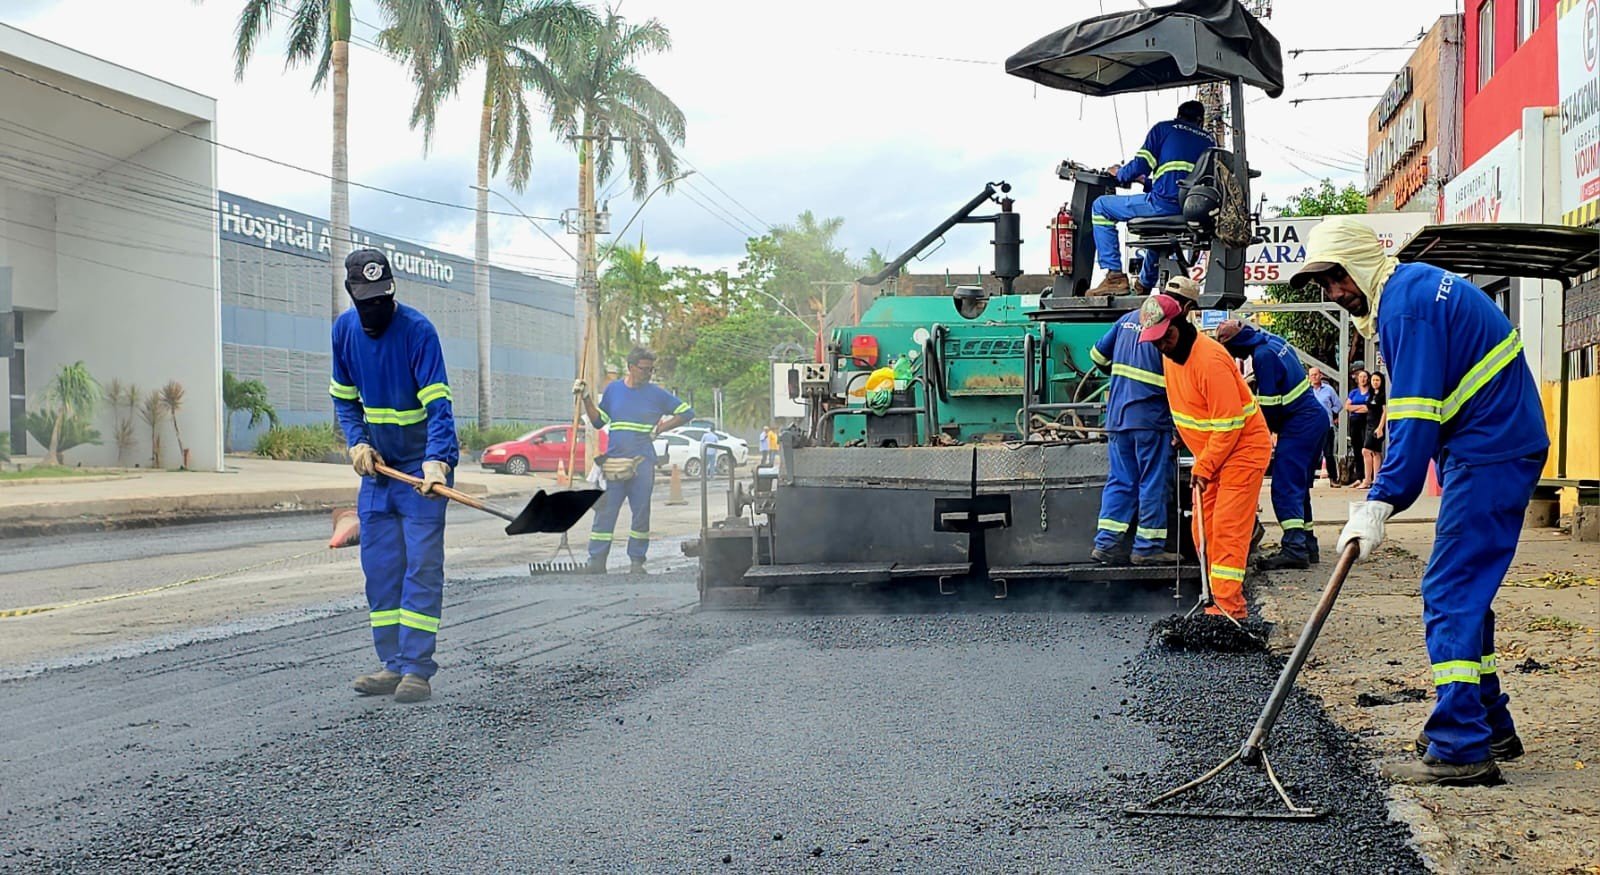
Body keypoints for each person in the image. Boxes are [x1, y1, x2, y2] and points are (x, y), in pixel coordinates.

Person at [1292, 217, 1549, 787]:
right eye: (1324, 285)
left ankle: (1460, 745)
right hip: (1492, 444)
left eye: (1336, 278)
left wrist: (1381, 500)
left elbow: (1413, 414)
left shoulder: (1407, 307)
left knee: (1450, 588)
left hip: (1493, 448)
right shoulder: (1409, 293)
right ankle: (1489, 722)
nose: (1334, 292)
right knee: (1466, 589)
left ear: (1359, 265)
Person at [331, 249, 459, 705]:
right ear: (353, 295)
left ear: (392, 290)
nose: (375, 308)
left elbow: (438, 406)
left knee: (421, 567)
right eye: (366, 301)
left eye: (382, 298)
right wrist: (357, 442)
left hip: (423, 469)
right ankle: (393, 664)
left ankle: (418, 670)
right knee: (381, 570)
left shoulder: (418, 332)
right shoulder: (343, 332)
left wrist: (437, 460)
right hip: (380, 470)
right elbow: (345, 400)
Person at [1138, 294, 1271, 619]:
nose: (1163, 346)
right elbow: (1187, 408)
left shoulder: (1209, 360)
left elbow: (1230, 423)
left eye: (1166, 337)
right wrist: (1180, 436)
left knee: (1227, 529)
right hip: (1212, 453)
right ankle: (1213, 598)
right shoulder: (1170, 356)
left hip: (1242, 450)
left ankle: (1229, 612)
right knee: (1203, 530)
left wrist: (1206, 463)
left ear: (1182, 322)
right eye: (1156, 342)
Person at [1085, 278, 1202, 566]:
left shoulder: (1126, 320)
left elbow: (1097, 356)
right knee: (1153, 482)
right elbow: (1182, 387)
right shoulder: (1175, 335)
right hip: (1151, 421)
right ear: (1185, 306)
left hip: (1117, 418)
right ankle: (1147, 548)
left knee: (1121, 480)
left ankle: (1106, 544)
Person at [1215, 320, 1329, 569]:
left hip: (1299, 426)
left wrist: (1253, 433)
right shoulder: (1272, 341)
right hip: (1314, 421)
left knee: (1285, 487)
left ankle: (1294, 550)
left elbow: (1269, 406)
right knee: (1298, 487)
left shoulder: (1262, 356)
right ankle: (1307, 544)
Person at [575, 347, 694, 574]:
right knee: (605, 512)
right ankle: (597, 561)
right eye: (644, 369)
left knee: (640, 512)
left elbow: (687, 412)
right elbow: (599, 422)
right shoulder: (614, 391)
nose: (648, 374)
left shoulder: (656, 394)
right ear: (630, 367)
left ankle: (637, 561)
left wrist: (661, 428)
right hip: (614, 464)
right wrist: (586, 398)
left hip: (642, 463)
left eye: (651, 369)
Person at [1087, 101, 1216, 296]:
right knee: (1159, 233)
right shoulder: (1210, 141)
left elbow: (1140, 165)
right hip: (1192, 209)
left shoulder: (1164, 129)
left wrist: (1120, 173)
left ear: (1178, 115)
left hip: (1163, 204)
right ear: (1201, 120)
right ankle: (1144, 285)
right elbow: (1183, 182)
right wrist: (1146, 182)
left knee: (1101, 207)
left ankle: (1114, 276)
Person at [1308, 366, 1341, 481]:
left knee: (1328, 453)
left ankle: (1334, 479)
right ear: (1309, 377)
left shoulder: (1328, 389)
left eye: (1316, 374)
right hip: (1311, 427)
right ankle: (1309, 479)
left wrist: (1332, 413)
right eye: (1312, 375)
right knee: (1312, 454)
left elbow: (1338, 405)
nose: (1314, 377)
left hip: (1327, 426)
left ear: (1320, 375)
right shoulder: (1307, 391)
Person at [1343, 369, 1372, 486]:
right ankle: (1359, 477)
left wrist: (1355, 407)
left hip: (1366, 421)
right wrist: (1361, 406)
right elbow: (1347, 407)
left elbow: (1369, 408)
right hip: (1354, 421)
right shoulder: (1354, 392)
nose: (1363, 379)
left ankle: (1368, 476)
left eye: (1365, 377)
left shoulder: (1371, 393)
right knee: (1356, 447)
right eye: (1360, 377)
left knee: (1366, 448)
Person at [1361, 371, 1388, 488]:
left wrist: (1381, 427)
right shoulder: (1371, 394)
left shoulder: (1383, 395)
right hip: (1369, 424)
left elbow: (1385, 411)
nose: (1375, 382)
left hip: (1377, 426)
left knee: (1366, 451)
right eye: (1373, 380)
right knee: (1376, 452)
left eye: (1377, 380)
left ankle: (1367, 479)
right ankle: (1376, 479)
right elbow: (1367, 408)